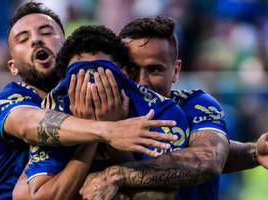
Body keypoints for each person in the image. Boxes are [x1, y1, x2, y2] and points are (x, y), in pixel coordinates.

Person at [0, 4, 177, 199]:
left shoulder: (101, 101)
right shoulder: (9, 99)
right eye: (23, 39)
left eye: (46, 32)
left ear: (64, 44)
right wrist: (107, 129)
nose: (36, 40)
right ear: (12, 66)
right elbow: (29, 125)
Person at [80, 17, 268, 200]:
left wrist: (115, 175)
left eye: (154, 70)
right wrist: (107, 129)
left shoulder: (195, 104)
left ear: (176, 71)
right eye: (131, 69)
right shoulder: (94, 109)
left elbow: (207, 159)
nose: (142, 82)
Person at [22, 24, 189, 200]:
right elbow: (42, 197)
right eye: (79, 76)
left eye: (104, 74)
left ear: (123, 74)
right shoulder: (51, 116)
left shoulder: (163, 113)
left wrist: (114, 138)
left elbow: (161, 195)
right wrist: (95, 133)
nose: (92, 85)